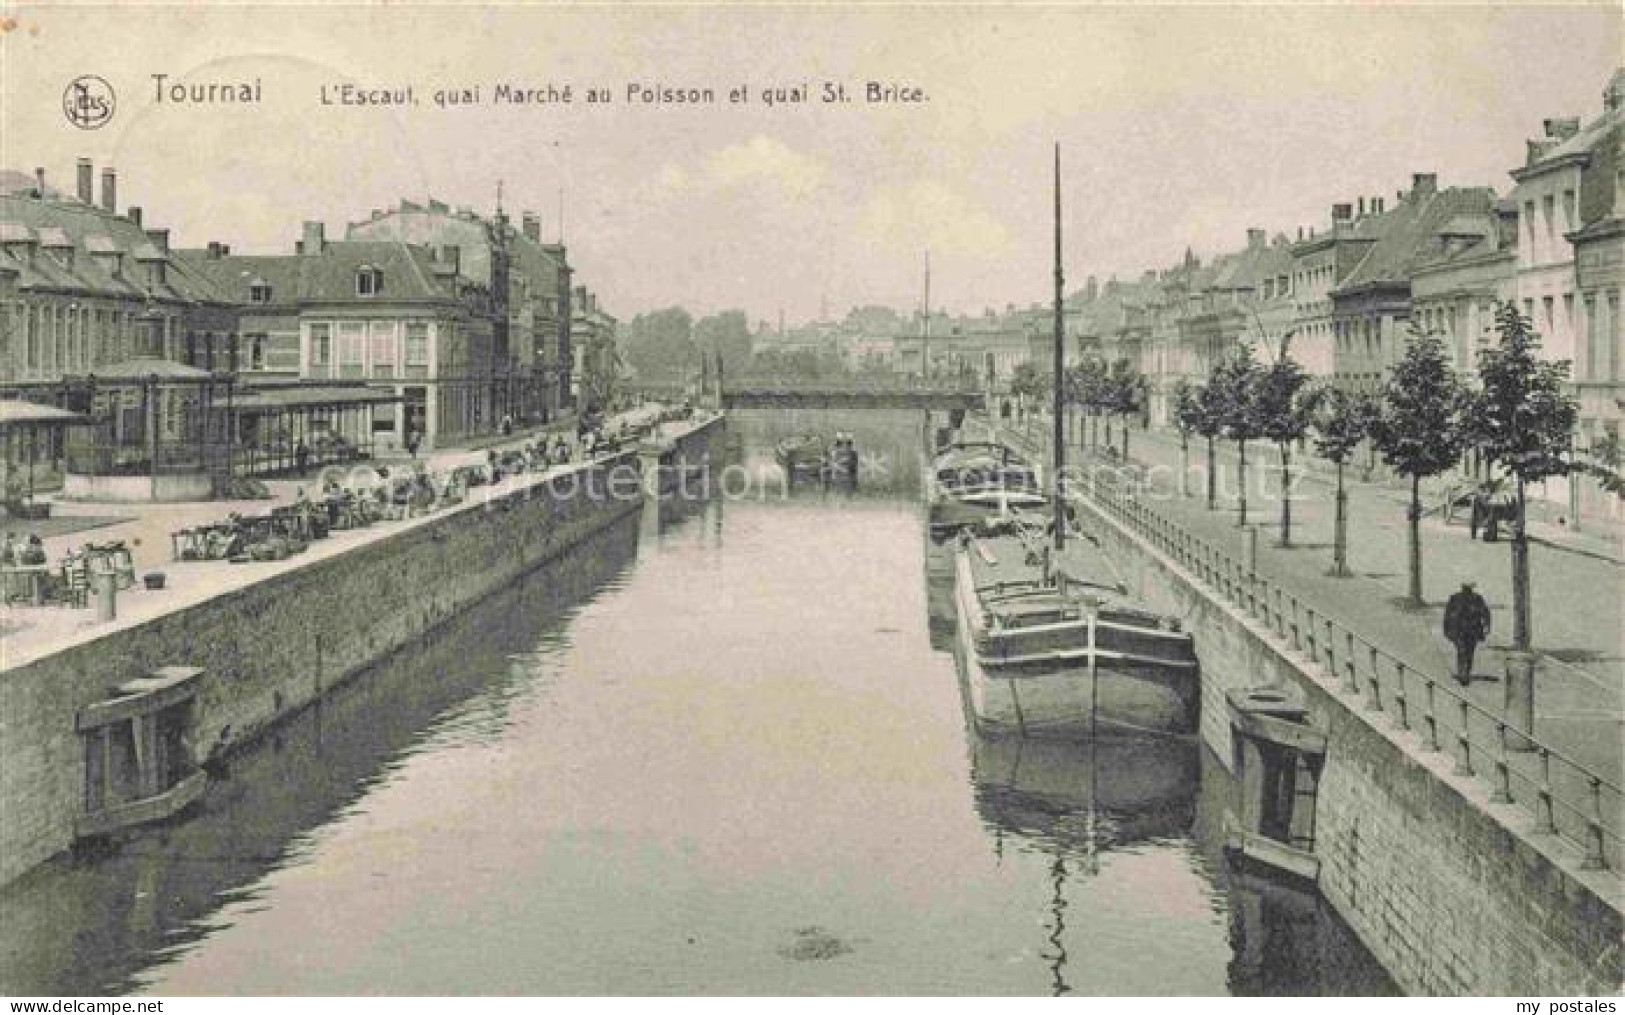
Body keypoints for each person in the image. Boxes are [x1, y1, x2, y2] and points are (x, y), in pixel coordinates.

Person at [1443, 581, 1492, 686]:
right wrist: (1446, 630)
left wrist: (1487, 626)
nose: (1466, 589)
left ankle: (1466, 673)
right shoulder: (1454, 598)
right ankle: (1462, 674)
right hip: (1458, 631)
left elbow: (1486, 613)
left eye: (1468, 588)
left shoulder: (1477, 599)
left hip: (1472, 631)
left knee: (1469, 653)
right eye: (1465, 587)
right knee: (1461, 651)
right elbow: (1447, 615)